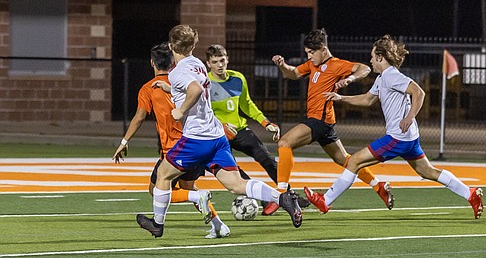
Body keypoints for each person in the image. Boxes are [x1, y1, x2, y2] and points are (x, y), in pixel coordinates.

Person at [136, 25, 302, 238]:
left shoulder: (177, 71)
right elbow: (198, 86)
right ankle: (283, 199)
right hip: (216, 136)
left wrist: (180, 110)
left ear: (171, 46)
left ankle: (157, 224)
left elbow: (194, 90)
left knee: (163, 175)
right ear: (194, 46)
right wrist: (171, 89)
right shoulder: (197, 64)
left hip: (196, 138)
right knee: (236, 185)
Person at [304, 35, 484, 219]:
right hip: (409, 137)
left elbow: (419, 92)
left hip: (398, 137)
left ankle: (325, 201)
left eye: (373, 56)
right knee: (427, 171)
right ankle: (470, 194)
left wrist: (409, 116)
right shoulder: (383, 78)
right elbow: (367, 99)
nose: (370, 60)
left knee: (354, 161)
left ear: (381, 57)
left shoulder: (392, 76)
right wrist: (341, 98)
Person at [266, 28, 393, 215]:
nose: (309, 56)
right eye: (307, 53)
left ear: (323, 49)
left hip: (320, 120)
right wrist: (283, 65)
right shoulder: (312, 65)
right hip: (323, 122)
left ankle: (281, 193)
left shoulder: (336, 64)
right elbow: (292, 74)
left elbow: (364, 68)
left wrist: (349, 79)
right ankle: (378, 186)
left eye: (311, 52)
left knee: (285, 142)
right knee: (344, 160)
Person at [113, 42, 230, 238]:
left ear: (152, 62)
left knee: (156, 188)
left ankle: (193, 201)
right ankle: (218, 225)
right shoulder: (183, 81)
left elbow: (139, 117)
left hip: (174, 149)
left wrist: (124, 142)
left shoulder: (148, 89)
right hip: (197, 141)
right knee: (187, 186)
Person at [205, 44, 310, 211]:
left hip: (239, 130)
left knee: (267, 158)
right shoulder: (205, 84)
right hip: (218, 135)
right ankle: (266, 199)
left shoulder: (238, 78)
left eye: (222, 60)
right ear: (208, 64)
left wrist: (266, 123)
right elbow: (203, 112)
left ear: (228, 60)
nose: (219, 65)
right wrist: (220, 126)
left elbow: (247, 105)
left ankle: (290, 196)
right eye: (215, 62)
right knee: (234, 172)